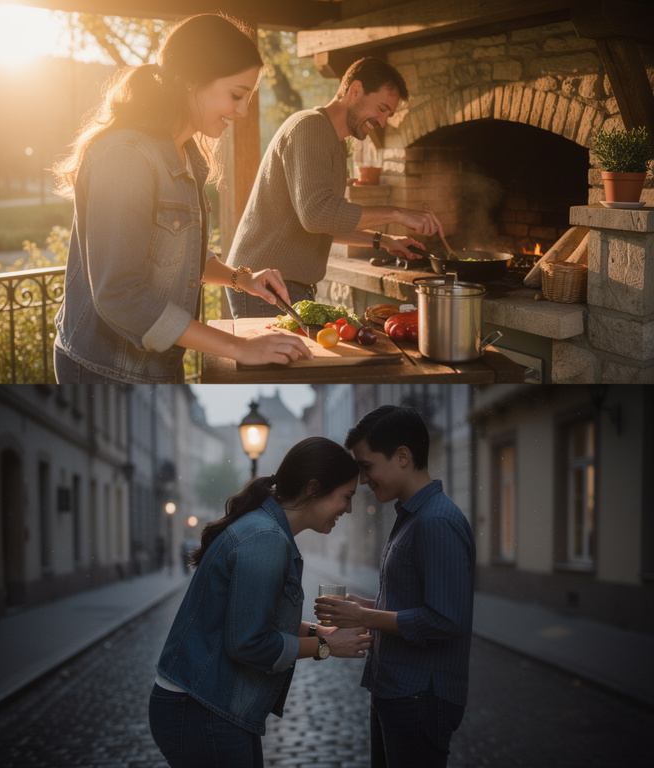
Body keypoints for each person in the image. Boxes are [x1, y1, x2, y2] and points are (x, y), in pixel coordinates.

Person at [50, 13, 312, 384]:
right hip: (104, 368)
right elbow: (118, 293)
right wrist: (240, 347)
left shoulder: (185, 155)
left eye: (248, 98)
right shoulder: (125, 155)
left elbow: (175, 254)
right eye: (237, 95)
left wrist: (242, 278)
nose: (242, 110)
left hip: (158, 365)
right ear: (192, 81)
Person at [150, 437, 373, 768]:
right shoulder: (266, 539)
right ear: (314, 488)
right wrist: (325, 644)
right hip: (201, 707)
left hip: (205, 703)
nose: (349, 509)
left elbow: (257, 621)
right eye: (347, 496)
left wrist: (319, 630)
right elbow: (249, 642)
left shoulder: (266, 530)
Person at [316, 405, 475, 768]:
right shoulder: (413, 516)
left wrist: (365, 616)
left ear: (402, 456)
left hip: (420, 694)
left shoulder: (436, 521)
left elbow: (445, 619)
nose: (362, 480)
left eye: (366, 466)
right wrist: (367, 607)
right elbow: (417, 600)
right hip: (401, 690)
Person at [225, 57, 446, 319]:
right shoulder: (309, 127)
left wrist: (384, 240)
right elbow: (317, 214)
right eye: (382, 108)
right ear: (355, 90)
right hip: (265, 285)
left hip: (283, 285)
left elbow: (325, 222)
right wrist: (397, 213)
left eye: (389, 114)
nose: (383, 122)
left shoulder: (335, 143)